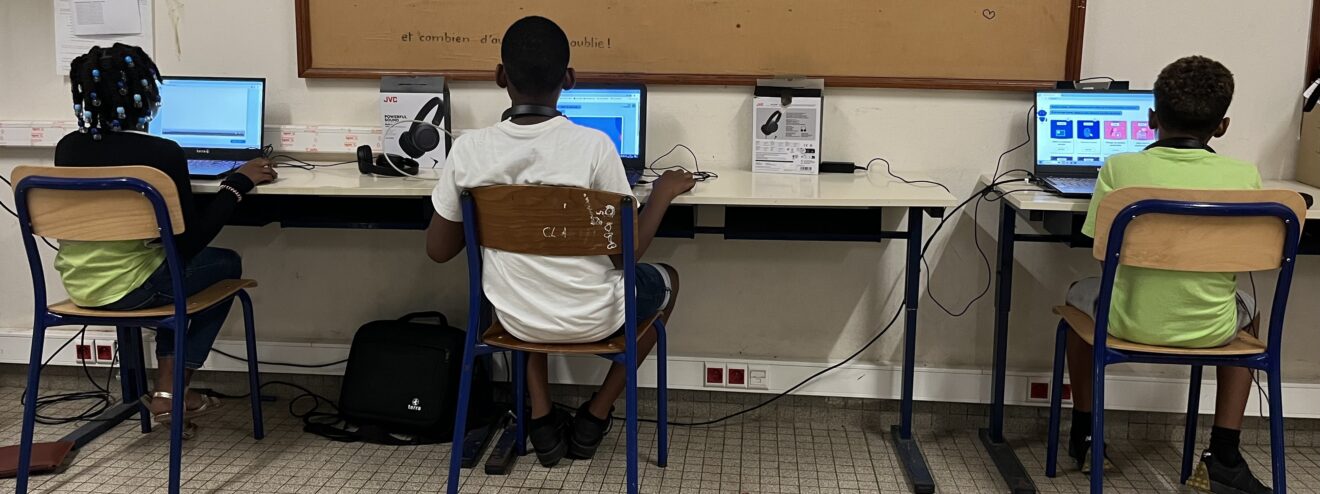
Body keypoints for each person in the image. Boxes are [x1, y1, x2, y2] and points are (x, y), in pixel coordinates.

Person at [425, 16, 695, 466]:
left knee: (529, 279)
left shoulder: (469, 150)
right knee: (669, 280)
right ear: (569, 79)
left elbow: (438, 250)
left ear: (500, 76)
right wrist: (663, 193)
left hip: (513, 320)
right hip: (595, 319)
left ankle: (542, 419)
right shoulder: (594, 147)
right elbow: (628, 254)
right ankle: (596, 414)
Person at [1064, 56, 1269, 494]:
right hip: (1213, 331)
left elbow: (1102, 255)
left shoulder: (1120, 169)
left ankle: (1085, 431)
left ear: (1152, 118)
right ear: (1222, 127)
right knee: (1251, 314)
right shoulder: (1245, 176)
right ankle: (1225, 454)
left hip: (1125, 325)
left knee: (1076, 299)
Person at [53, 44, 277, 435]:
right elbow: (187, 244)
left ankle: (166, 392)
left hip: (80, 286)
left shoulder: (68, 148)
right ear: (148, 95)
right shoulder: (161, 153)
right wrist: (238, 184)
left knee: (175, 272)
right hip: (134, 288)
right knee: (224, 264)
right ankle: (172, 389)